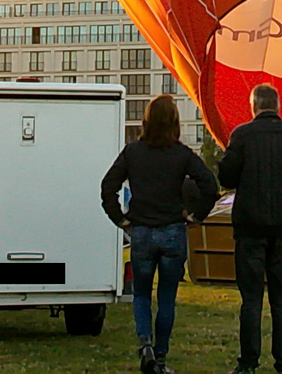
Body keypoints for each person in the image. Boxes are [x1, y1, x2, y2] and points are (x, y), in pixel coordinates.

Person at [101, 93, 219, 374]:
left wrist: (120, 219)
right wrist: (196, 216)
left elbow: (108, 187)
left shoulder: (133, 152)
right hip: (172, 232)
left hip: (141, 230)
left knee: (141, 294)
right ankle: (162, 357)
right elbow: (209, 187)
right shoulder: (182, 154)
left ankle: (145, 345)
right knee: (167, 297)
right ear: (174, 122)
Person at [217, 84, 282, 374]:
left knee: (252, 297)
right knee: (281, 294)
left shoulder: (243, 135)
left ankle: (248, 362)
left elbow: (228, 177)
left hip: (250, 225)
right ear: (278, 106)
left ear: (253, 106)